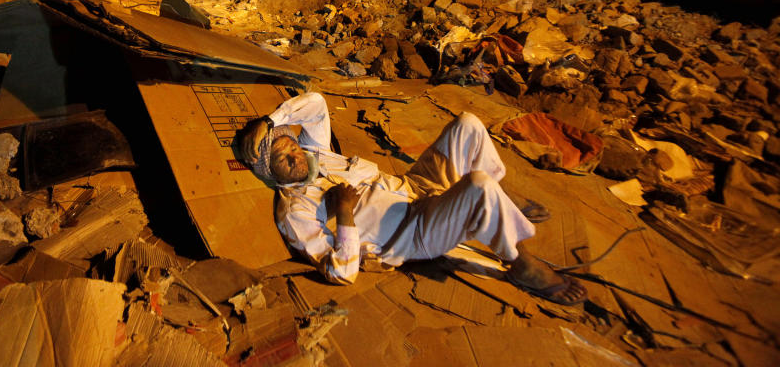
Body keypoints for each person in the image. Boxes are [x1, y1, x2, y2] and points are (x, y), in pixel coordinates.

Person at [240, 92, 587, 306]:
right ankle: (520, 262)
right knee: (479, 185)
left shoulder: (319, 153)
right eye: (282, 159)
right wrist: (344, 212)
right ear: (271, 175)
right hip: (413, 231)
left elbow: (315, 103)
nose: (294, 157)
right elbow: (340, 272)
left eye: (292, 146)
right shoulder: (294, 209)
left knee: (467, 124)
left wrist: (271, 121)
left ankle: (494, 210)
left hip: (416, 187)